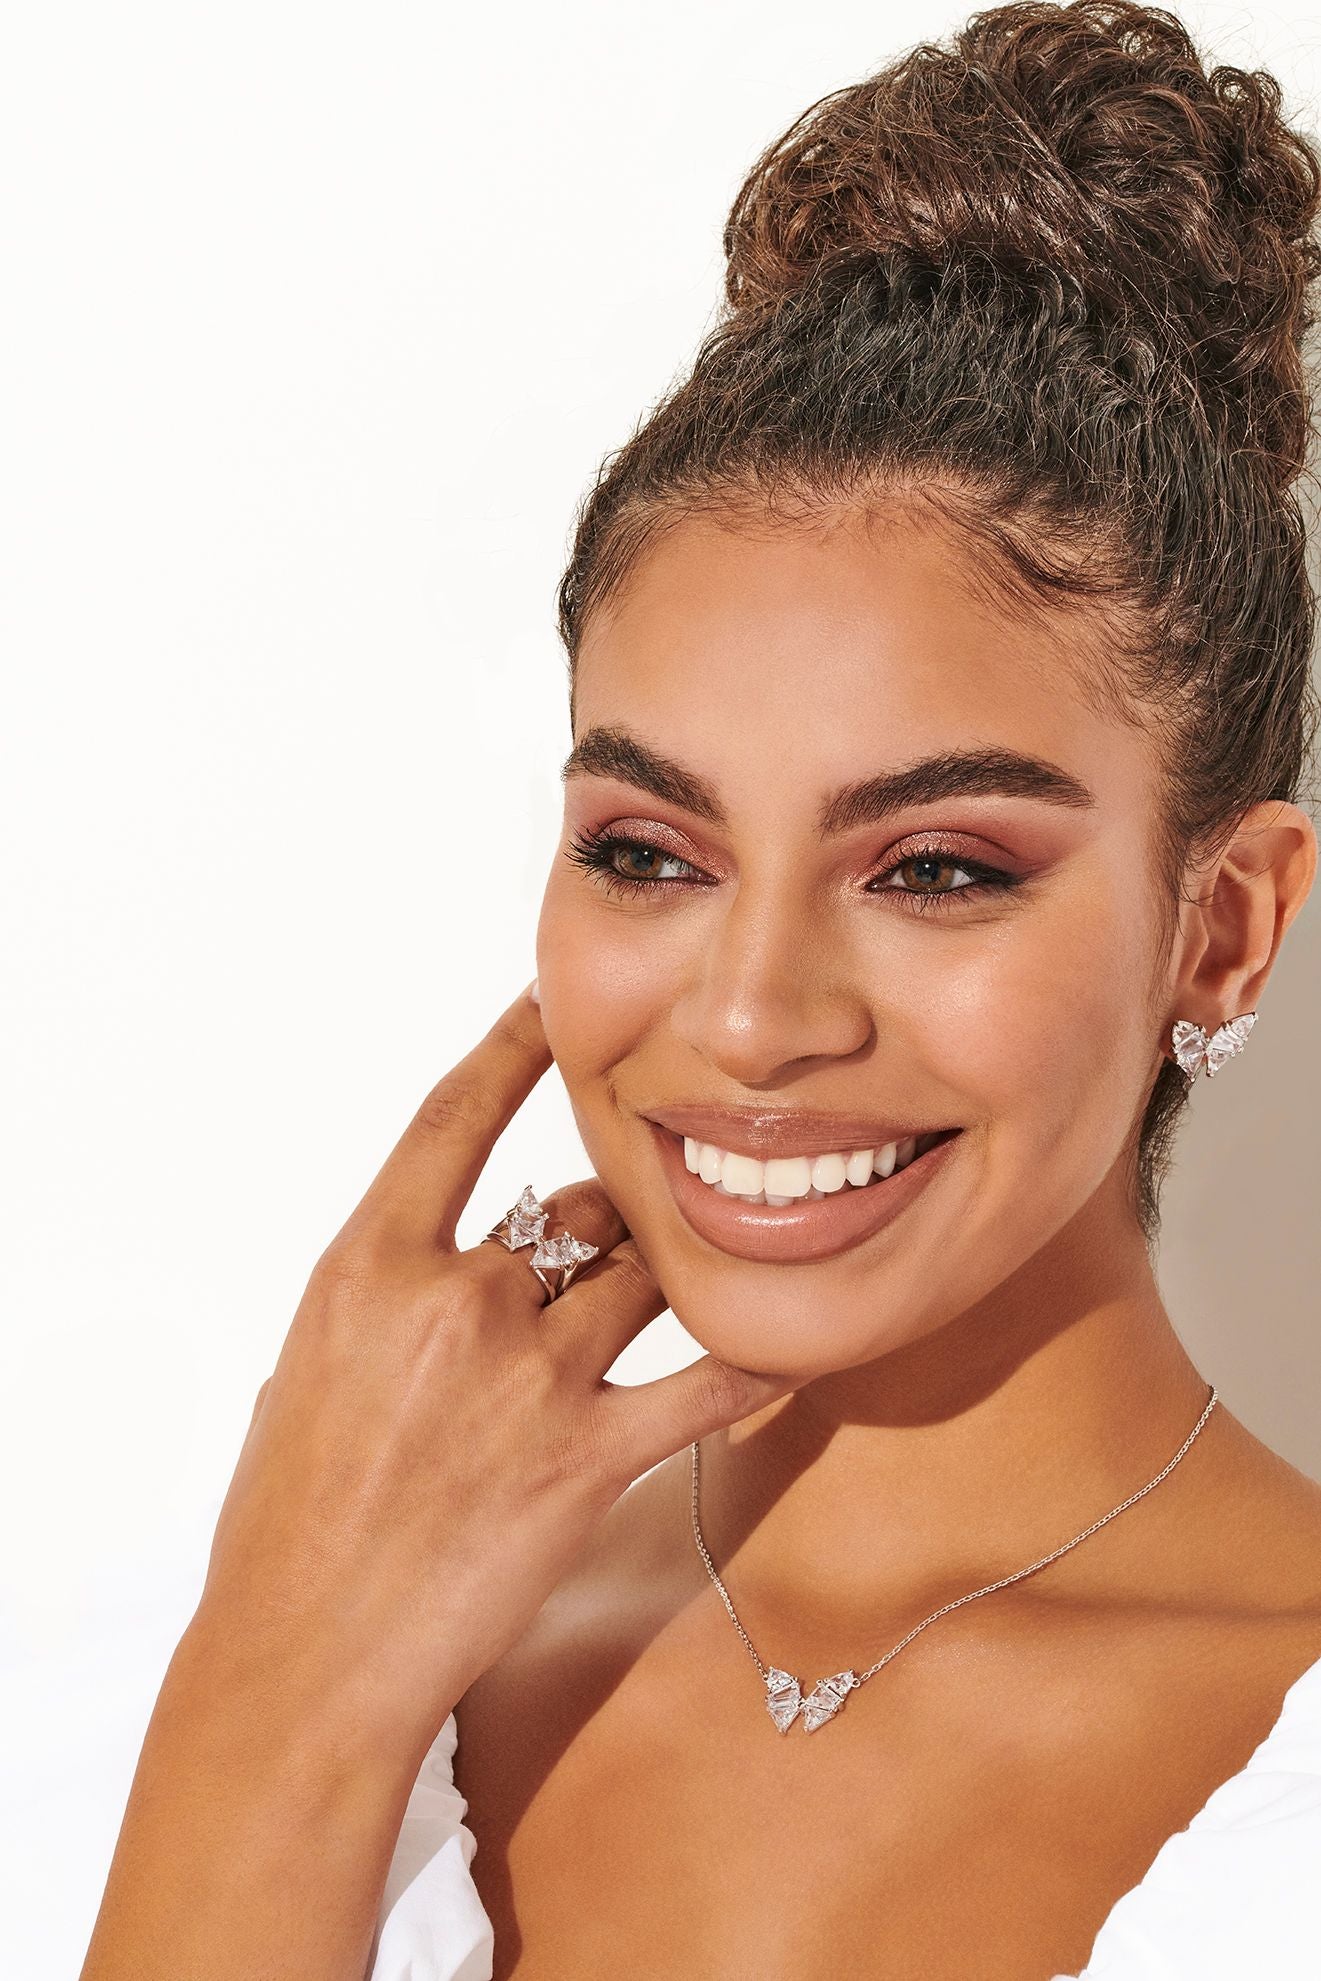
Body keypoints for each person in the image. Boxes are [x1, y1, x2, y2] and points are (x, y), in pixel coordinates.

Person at [79, 1, 1321, 1976]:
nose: (748, 1018)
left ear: (1224, 925)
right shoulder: (303, 1629)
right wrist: (279, 1677)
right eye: (649, 850)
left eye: (932, 867)